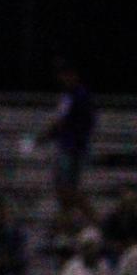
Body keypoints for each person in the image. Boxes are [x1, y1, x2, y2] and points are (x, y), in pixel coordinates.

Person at [38, 57, 97, 206]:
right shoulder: (72, 95)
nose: (62, 78)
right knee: (65, 192)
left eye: (65, 74)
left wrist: (42, 137)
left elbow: (61, 122)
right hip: (70, 147)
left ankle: (97, 222)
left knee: (68, 191)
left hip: (72, 149)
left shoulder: (77, 95)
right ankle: (66, 224)